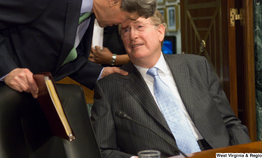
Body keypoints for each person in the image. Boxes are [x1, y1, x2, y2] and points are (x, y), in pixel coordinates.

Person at [91, 11, 252, 157]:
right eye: (125, 30)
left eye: (139, 27)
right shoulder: (109, 88)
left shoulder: (196, 65)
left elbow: (230, 123)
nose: (133, 35)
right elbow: (101, 150)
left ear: (160, 32)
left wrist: (247, 154)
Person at [0, 0, 157, 98]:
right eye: (126, 18)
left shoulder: (90, 10)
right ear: (115, 0)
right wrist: (7, 70)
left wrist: (100, 73)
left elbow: (63, 56)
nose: (121, 24)